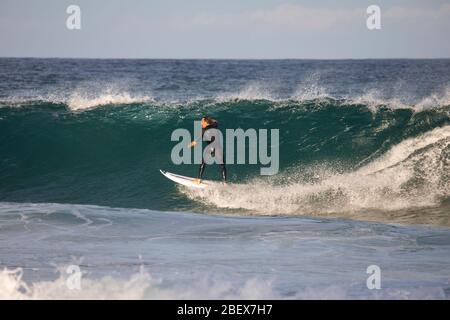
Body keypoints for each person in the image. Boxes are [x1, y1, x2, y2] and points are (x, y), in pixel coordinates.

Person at [188, 116, 227, 184]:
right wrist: (210, 120)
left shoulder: (204, 130)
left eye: (202, 122)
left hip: (211, 148)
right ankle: (225, 182)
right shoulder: (214, 125)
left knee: (203, 162)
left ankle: (199, 179)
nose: (201, 123)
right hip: (218, 148)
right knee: (222, 165)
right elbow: (216, 121)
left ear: (206, 122)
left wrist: (193, 143)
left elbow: (199, 137)